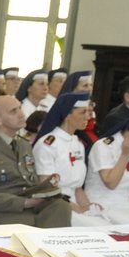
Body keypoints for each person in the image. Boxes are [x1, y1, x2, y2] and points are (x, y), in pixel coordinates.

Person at [0, 93, 73, 229]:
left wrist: (46, 190)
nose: (21, 114)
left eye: (20, 108)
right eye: (14, 111)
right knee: (36, 223)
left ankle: (47, 247)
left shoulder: (23, 145)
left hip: (28, 207)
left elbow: (30, 182)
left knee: (61, 206)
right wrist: (25, 202)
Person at [82, 109, 129, 226]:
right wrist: (125, 154)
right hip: (101, 204)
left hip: (126, 204)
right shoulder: (104, 146)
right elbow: (111, 183)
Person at [30, 92, 95, 220]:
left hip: (74, 204)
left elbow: (77, 188)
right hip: (55, 206)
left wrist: (88, 207)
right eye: (83, 112)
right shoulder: (48, 144)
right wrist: (78, 209)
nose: (88, 117)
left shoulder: (78, 144)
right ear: (67, 115)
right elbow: (47, 188)